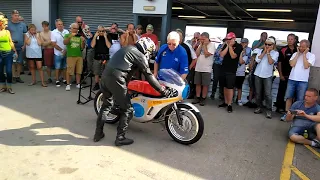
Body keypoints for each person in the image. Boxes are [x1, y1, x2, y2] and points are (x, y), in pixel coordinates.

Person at [93, 37, 170, 146]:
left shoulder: (127, 48)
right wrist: (162, 90)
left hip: (105, 76)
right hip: (117, 79)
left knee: (106, 105)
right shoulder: (139, 55)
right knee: (128, 110)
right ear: (147, 49)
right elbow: (148, 75)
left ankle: (98, 133)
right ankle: (120, 137)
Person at [253, 37, 279, 119]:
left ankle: (268, 110)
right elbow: (257, 60)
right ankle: (259, 107)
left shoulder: (275, 53)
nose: (267, 46)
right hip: (258, 74)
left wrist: (268, 53)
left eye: (269, 44)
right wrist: (264, 51)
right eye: (266, 44)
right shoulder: (260, 51)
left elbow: (270, 62)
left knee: (268, 94)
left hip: (267, 75)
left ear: (273, 45)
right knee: (258, 92)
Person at [218, 32, 243, 113]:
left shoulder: (239, 46)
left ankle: (229, 104)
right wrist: (228, 46)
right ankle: (225, 102)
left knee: (230, 87)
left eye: (229, 39)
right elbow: (221, 55)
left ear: (233, 39)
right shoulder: (226, 45)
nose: (227, 41)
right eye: (227, 39)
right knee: (224, 86)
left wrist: (230, 47)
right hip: (223, 68)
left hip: (232, 70)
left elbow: (233, 56)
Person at [192, 32, 216, 106]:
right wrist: (201, 45)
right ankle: (198, 97)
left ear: (207, 38)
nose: (202, 40)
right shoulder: (201, 44)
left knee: (205, 84)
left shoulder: (212, 45)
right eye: (201, 39)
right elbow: (196, 54)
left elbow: (206, 54)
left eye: (203, 39)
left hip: (206, 68)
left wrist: (205, 45)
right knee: (198, 83)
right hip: (198, 67)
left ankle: (203, 98)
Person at [63, 23, 86, 91]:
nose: (76, 30)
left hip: (79, 55)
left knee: (79, 70)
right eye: (74, 28)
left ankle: (78, 84)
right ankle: (68, 84)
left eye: (77, 29)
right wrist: (70, 36)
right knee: (69, 71)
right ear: (71, 28)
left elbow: (82, 47)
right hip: (70, 55)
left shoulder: (79, 36)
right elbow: (65, 42)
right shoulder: (67, 35)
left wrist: (83, 41)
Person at [0, 12, 17, 94]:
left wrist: (15, 51)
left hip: (8, 54)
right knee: (0, 71)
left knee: (9, 71)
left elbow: (11, 42)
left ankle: (9, 87)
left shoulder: (7, 32)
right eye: (5, 24)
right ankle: (3, 87)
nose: (6, 25)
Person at [90, 25, 111, 91]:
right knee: (96, 72)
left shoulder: (107, 36)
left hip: (105, 56)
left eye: (102, 31)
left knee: (106, 72)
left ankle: (105, 85)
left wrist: (105, 37)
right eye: (100, 31)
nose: (101, 32)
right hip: (97, 56)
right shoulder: (95, 36)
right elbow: (92, 45)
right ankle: (97, 84)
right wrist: (95, 36)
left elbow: (109, 46)